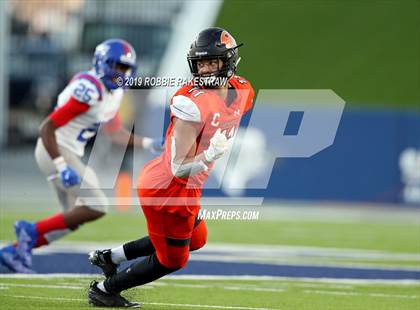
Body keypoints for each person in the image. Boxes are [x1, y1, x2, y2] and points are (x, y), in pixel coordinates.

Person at [87, 27, 254, 308]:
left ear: (228, 61)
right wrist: (208, 155)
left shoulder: (243, 90)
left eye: (212, 62)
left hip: (186, 187)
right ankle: (105, 290)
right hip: (169, 190)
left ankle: (110, 258)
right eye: (201, 63)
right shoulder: (190, 103)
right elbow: (178, 168)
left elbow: (227, 116)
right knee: (173, 259)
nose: (206, 69)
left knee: (196, 239)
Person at [0, 39, 163, 273]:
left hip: (68, 152)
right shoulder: (90, 89)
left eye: (125, 69)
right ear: (102, 63)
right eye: (117, 67)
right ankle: (30, 231)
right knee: (97, 205)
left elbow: (114, 131)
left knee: (71, 220)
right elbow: (47, 127)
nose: (121, 73)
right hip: (55, 149)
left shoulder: (113, 93)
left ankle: (13, 252)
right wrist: (61, 164)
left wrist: (148, 143)